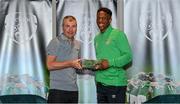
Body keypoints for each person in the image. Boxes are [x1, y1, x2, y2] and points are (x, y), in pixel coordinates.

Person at [94, 7, 133, 103]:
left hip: (115, 85)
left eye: (103, 18)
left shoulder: (118, 34)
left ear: (110, 20)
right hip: (100, 84)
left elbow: (128, 56)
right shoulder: (96, 38)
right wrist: (95, 65)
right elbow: (102, 60)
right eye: (98, 18)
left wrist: (109, 63)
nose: (100, 21)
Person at [46, 16, 82, 103]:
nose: (71, 29)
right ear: (62, 27)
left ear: (76, 27)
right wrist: (70, 63)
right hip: (58, 91)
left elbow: (76, 66)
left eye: (73, 26)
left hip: (73, 90)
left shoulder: (78, 44)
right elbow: (49, 65)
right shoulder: (55, 42)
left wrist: (88, 65)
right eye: (67, 26)